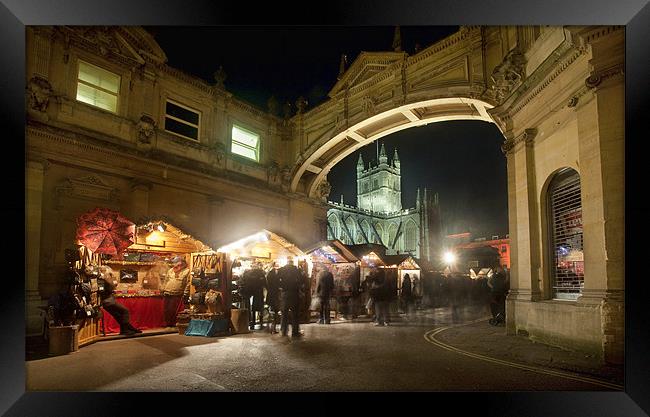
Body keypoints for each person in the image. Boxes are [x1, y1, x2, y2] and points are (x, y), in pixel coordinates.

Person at [98, 266, 141, 335]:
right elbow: (110, 287)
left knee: (118, 316)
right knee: (125, 311)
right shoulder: (104, 279)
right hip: (108, 301)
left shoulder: (104, 279)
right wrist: (110, 281)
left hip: (107, 301)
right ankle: (127, 330)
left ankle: (128, 329)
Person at [277, 257, 305, 337]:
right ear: (292, 263)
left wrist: (281, 287)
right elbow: (302, 280)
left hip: (285, 293)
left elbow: (277, 281)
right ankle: (295, 332)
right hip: (294, 293)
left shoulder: (281, 270)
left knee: (284, 313)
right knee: (295, 314)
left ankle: (284, 331)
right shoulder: (297, 270)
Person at [162, 256, 190, 328]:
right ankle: (168, 324)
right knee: (166, 310)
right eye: (175, 264)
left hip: (177, 294)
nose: (176, 266)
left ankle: (174, 324)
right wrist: (164, 288)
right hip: (167, 293)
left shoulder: (187, 271)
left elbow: (188, 283)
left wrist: (186, 293)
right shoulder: (171, 270)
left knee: (173, 310)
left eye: (178, 264)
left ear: (183, 264)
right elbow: (166, 280)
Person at [241, 263, 266, 330]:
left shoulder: (247, 273)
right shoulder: (261, 273)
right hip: (258, 293)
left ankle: (251, 322)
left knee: (251, 309)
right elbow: (265, 283)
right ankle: (260, 323)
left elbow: (243, 282)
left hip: (249, 293)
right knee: (259, 308)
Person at [265, 262, 281, 334]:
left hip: (271, 295)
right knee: (274, 312)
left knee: (272, 311)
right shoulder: (273, 274)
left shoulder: (269, 273)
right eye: (276, 266)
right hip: (273, 295)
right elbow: (276, 284)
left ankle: (271, 328)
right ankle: (273, 329)